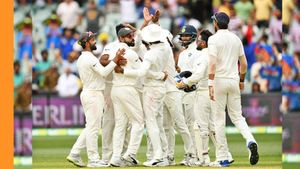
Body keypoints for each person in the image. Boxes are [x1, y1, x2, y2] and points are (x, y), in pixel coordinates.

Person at [66, 31, 125, 168]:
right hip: (93, 94)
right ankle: (93, 160)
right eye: (92, 39)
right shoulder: (89, 58)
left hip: (90, 92)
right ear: (87, 43)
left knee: (91, 126)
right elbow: (104, 73)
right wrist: (115, 60)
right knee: (93, 128)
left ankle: (74, 153)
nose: (95, 41)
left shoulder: (83, 58)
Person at [207, 12, 259, 167]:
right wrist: (242, 80)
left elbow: (212, 64)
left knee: (218, 120)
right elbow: (244, 64)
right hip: (234, 79)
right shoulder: (236, 39)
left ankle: (222, 158)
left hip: (219, 81)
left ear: (216, 23)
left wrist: (210, 83)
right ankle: (250, 140)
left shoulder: (213, 39)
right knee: (237, 117)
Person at [176, 29, 233, 166]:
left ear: (204, 43)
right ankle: (225, 155)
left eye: (200, 40)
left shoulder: (203, 55)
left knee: (201, 126)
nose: (198, 42)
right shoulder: (215, 54)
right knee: (214, 125)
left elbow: (198, 74)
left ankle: (203, 158)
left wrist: (184, 82)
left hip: (203, 92)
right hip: (214, 90)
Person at [114, 24, 168, 167]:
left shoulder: (150, 53)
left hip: (151, 88)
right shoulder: (165, 49)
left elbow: (141, 73)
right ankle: (161, 155)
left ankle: (159, 156)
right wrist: (160, 75)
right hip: (159, 87)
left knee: (151, 123)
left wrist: (123, 71)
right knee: (155, 122)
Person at [109, 27, 145, 167]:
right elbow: (141, 72)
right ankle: (130, 154)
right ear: (121, 38)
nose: (132, 38)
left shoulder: (113, 51)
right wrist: (124, 71)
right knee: (139, 122)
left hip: (115, 89)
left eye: (132, 35)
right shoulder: (130, 53)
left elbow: (105, 61)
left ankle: (116, 157)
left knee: (120, 124)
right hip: (128, 89)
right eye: (128, 36)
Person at [176, 25, 198, 165]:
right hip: (181, 92)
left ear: (193, 36)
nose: (184, 38)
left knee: (192, 124)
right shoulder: (182, 53)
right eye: (182, 36)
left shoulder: (197, 51)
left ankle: (196, 155)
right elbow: (180, 72)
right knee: (184, 125)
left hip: (193, 92)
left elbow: (197, 72)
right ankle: (190, 154)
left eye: (186, 36)